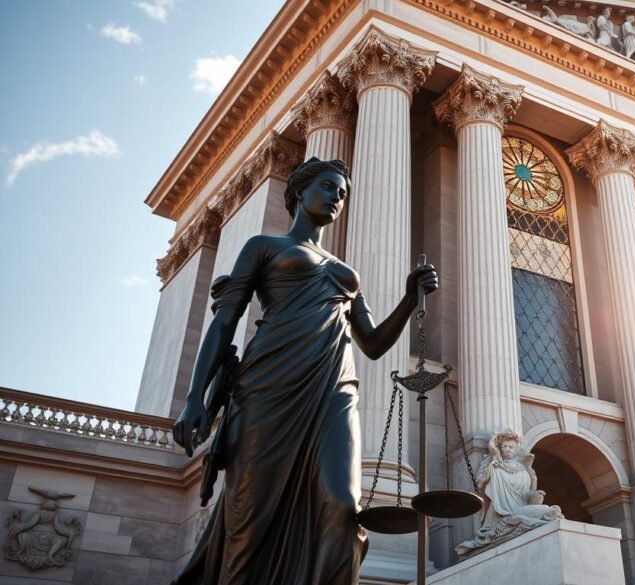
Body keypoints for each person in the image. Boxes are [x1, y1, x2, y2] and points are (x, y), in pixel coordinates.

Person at [171, 157, 438, 584]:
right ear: (300, 191)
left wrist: (409, 299)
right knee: (249, 516)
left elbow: (371, 344)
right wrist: (194, 398)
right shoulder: (263, 247)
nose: (337, 197)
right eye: (330, 187)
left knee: (341, 506)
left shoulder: (345, 273)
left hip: (334, 389)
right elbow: (224, 321)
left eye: (343, 193)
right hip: (266, 386)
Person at [455, 430, 562, 555]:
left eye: (511, 447)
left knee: (543, 509)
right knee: (543, 510)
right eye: (505, 446)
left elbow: (526, 495)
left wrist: (535, 495)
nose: (508, 449)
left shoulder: (522, 470)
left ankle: (550, 512)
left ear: (516, 449)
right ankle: (549, 513)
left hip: (520, 509)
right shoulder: (495, 466)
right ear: (500, 448)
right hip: (503, 513)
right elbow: (480, 481)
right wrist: (493, 455)